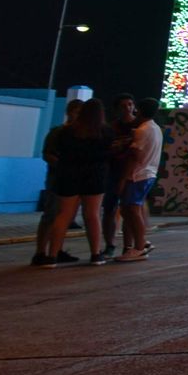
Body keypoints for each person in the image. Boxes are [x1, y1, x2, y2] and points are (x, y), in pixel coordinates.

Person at [44, 98, 116, 266]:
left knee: (63, 215)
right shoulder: (105, 132)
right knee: (92, 215)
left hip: (68, 175)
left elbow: (58, 152)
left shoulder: (66, 132)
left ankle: (51, 256)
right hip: (95, 176)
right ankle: (96, 254)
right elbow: (109, 154)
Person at [31, 99, 84, 267]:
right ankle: (40, 252)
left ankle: (56, 249)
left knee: (64, 216)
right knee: (51, 215)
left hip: (73, 180)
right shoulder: (58, 132)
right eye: (76, 112)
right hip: (57, 179)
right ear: (69, 112)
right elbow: (47, 154)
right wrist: (63, 166)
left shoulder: (81, 134)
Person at [113, 99, 162, 262]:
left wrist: (123, 178)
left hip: (137, 175)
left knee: (132, 210)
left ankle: (139, 246)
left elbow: (136, 157)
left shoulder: (143, 130)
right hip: (148, 173)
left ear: (139, 110)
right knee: (130, 210)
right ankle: (140, 243)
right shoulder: (155, 129)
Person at [102, 94, 138, 257]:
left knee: (128, 210)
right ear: (117, 109)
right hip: (113, 172)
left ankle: (128, 246)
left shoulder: (140, 127)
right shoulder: (111, 128)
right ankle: (109, 244)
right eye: (123, 105)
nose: (128, 108)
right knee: (109, 209)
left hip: (132, 174)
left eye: (130, 104)